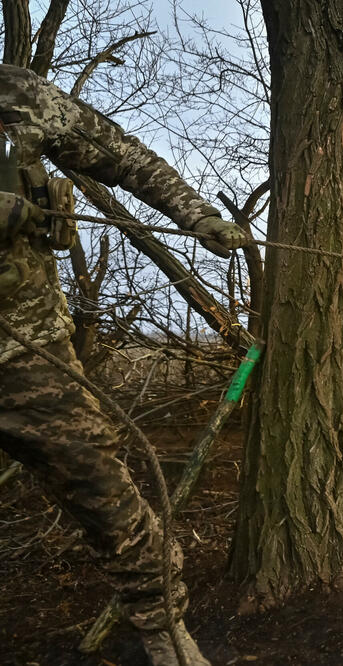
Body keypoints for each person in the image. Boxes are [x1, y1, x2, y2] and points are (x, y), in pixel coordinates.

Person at [0, 64, 246, 666]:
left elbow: (121, 154)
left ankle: (165, 632)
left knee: (102, 489)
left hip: (27, 354)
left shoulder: (16, 94)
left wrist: (196, 216)